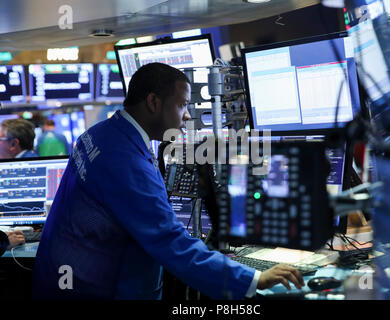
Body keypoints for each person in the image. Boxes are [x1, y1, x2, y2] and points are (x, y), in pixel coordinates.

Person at [32, 63, 305, 300]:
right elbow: (170, 242)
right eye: (183, 104)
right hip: (96, 289)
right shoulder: (125, 161)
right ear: (153, 103)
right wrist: (253, 279)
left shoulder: (101, 134)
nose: (187, 115)